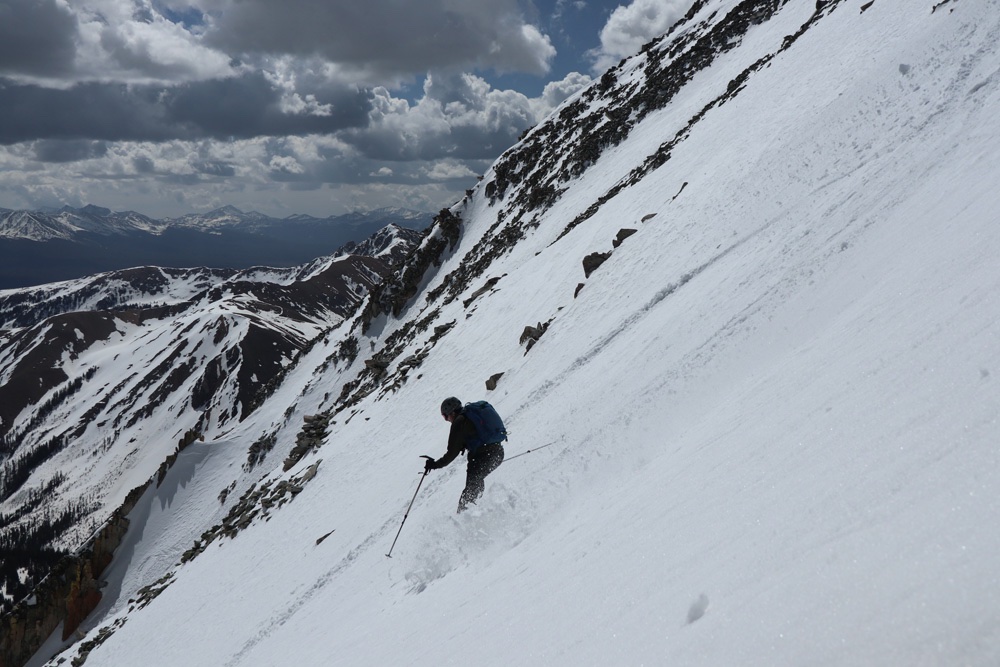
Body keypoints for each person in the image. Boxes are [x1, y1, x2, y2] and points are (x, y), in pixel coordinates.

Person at [424, 396, 505, 513]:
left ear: (451, 413)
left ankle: (466, 519)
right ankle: (477, 515)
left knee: (471, 491)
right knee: (475, 486)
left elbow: (451, 453)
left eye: (445, 416)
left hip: (481, 458)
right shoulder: (470, 416)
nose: (447, 420)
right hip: (498, 453)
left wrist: (435, 464)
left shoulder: (459, 422)